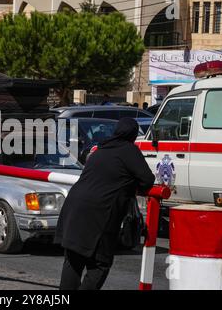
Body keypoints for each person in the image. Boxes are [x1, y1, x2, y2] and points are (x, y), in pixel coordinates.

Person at [54, 117, 155, 290]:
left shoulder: (101, 148)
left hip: (74, 208)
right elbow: (147, 180)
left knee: (73, 260)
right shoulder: (128, 150)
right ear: (131, 135)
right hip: (100, 213)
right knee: (99, 264)